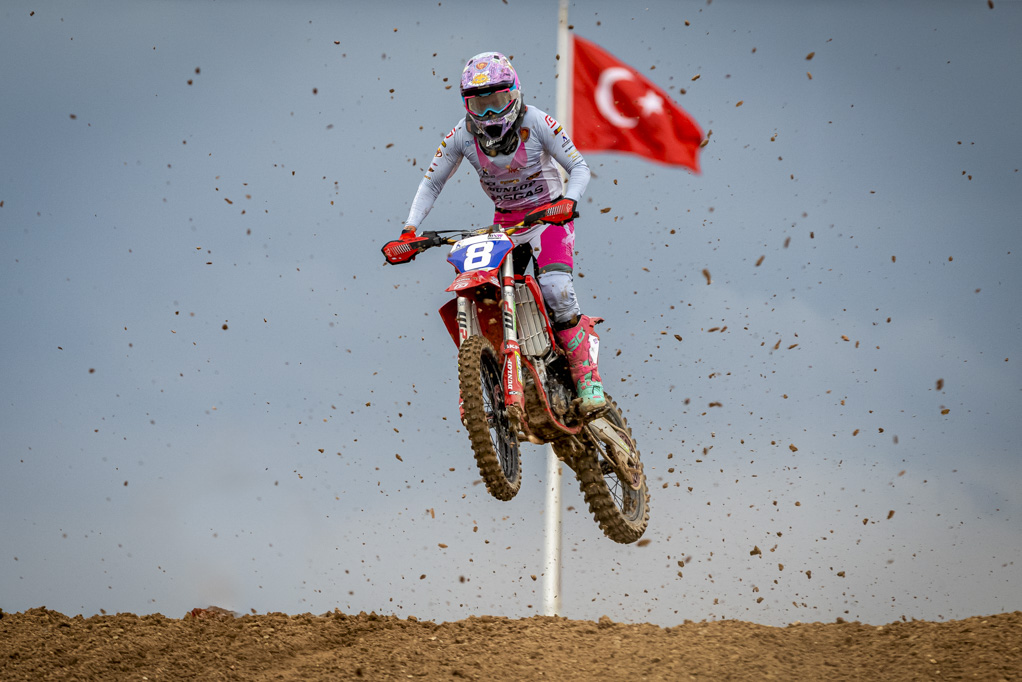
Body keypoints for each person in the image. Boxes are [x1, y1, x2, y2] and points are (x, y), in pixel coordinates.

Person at [399, 51, 605, 414]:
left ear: (514, 94)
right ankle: (496, 374)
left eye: (498, 101)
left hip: (549, 218)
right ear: (467, 105)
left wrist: (568, 201)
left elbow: (578, 166)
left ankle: (587, 378)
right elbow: (431, 183)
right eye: (481, 104)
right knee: (486, 294)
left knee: (556, 288)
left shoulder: (538, 122)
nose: (491, 113)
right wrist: (409, 230)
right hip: (507, 224)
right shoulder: (461, 136)